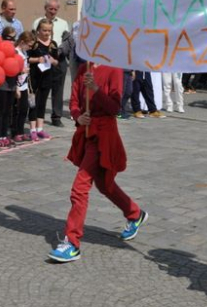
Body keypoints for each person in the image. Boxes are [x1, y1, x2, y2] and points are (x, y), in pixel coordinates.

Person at [49, 63, 148, 263]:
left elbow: (114, 107)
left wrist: (95, 88)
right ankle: (134, 213)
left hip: (104, 135)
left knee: (80, 187)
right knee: (104, 185)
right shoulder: (83, 68)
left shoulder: (114, 68)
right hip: (87, 133)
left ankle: (72, 242)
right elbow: (75, 102)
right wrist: (79, 117)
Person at [0, 0, 24, 130]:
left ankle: (7, 122)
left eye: (15, 9)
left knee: (8, 93)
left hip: (10, 63)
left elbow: (20, 43)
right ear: (3, 8)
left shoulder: (18, 24)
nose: (13, 12)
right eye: (11, 9)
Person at [32, 0, 70, 127]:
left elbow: (67, 41)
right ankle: (34, 115)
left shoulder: (64, 23)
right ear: (45, 8)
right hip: (42, 59)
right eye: (51, 8)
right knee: (39, 88)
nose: (53, 11)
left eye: (55, 9)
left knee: (58, 89)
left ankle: (56, 117)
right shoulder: (38, 22)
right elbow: (33, 40)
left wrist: (60, 51)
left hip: (58, 58)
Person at [27, 19, 59, 140]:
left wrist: (52, 60)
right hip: (34, 77)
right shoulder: (34, 44)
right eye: (44, 30)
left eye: (49, 31)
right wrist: (37, 59)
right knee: (33, 103)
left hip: (47, 77)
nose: (46, 33)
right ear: (38, 30)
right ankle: (32, 129)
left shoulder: (53, 44)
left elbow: (57, 61)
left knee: (42, 102)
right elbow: (27, 58)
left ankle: (40, 128)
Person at [0, 26, 20, 148]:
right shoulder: (0, 50)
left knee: (8, 111)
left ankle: (4, 135)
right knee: (1, 110)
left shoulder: (15, 51)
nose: (11, 41)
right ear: (3, 38)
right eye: (8, 38)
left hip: (12, 84)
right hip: (2, 84)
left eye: (13, 38)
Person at [12, 31, 34, 142]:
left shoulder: (24, 53)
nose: (30, 48)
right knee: (16, 110)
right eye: (29, 45)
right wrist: (22, 71)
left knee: (24, 109)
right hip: (17, 85)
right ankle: (15, 132)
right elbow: (12, 69)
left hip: (24, 84)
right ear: (22, 42)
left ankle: (21, 131)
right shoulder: (16, 52)